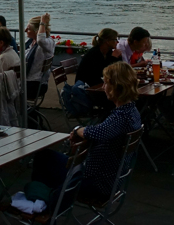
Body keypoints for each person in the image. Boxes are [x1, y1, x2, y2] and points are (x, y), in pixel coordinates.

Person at [31, 62, 142, 203]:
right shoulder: (132, 112)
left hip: (95, 183)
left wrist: (78, 130)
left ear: (116, 87)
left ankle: (44, 204)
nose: (103, 87)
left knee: (43, 158)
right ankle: (49, 200)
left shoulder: (121, 117)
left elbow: (96, 133)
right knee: (47, 158)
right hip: (109, 179)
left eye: (106, 83)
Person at [23, 13, 55, 98]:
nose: (25, 30)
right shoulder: (30, 42)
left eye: (29, 29)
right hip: (29, 82)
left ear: (37, 31)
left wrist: (42, 22)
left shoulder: (47, 43)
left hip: (34, 86)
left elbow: (41, 40)